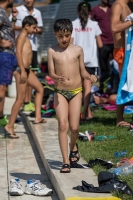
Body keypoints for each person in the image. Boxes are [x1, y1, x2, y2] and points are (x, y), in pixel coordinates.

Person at [48, 19, 97, 173]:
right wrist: (56, 78)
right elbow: (51, 72)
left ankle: (73, 147)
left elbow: (82, 70)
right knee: (63, 125)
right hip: (60, 92)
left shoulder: (78, 50)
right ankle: (65, 161)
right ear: (55, 35)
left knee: (74, 128)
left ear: (71, 34)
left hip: (76, 91)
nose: (64, 39)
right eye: (61, 36)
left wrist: (89, 76)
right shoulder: (52, 51)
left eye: (67, 35)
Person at [5, 16, 46, 138]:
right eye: (33, 28)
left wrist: (26, 70)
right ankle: (10, 125)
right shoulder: (21, 36)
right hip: (20, 70)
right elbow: (17, 53)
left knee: (40, 89)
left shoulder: (26, 36)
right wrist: (22, 70)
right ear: (26, 26)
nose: (35, 30)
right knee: (20, 99)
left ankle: (38, 116)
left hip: (27, 71)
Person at [9, 0, 43, 113]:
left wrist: (34, 29)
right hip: (21, 60)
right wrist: (24, 28)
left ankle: (30, 105)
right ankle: (11, 123)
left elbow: (41, 29)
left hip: (32, 50)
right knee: (20, 98)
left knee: (37, 84)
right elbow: (11, 27)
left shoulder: (37, 12)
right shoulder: (17, 11)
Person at [71, 2, 103, 120]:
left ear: (78, 11)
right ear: (90, 12)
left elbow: (71, 43)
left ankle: (84, 112)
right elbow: (100, 44)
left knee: (79, 87)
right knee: (87, 87)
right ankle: (86, 112)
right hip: (90, 61)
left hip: (76, 60)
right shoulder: (94, 25)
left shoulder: (73, 24)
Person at [110, 0, 133, 127]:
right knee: (123, 83)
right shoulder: (118, 5)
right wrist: (131, 22)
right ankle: (119, 119)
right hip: (122, 51)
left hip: (130, 50)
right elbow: (114, 28)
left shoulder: (129, 6)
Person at [0, 0, 18, 127]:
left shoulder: (4, 12)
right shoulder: (0, 12)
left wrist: (14, 19)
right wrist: (1, 43)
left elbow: (7, 30)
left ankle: (1, 117)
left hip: (8, 54)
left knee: (3, 88)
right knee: (1, 90)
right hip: (4, 54)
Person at [91, 0, 114, 86]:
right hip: (103, 43)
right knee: (104, 68)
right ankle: (104, 87)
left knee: (117, 66)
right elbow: (88, 22)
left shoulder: (113, 8)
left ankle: (115, 87)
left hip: (115, 42)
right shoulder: (95, 10)